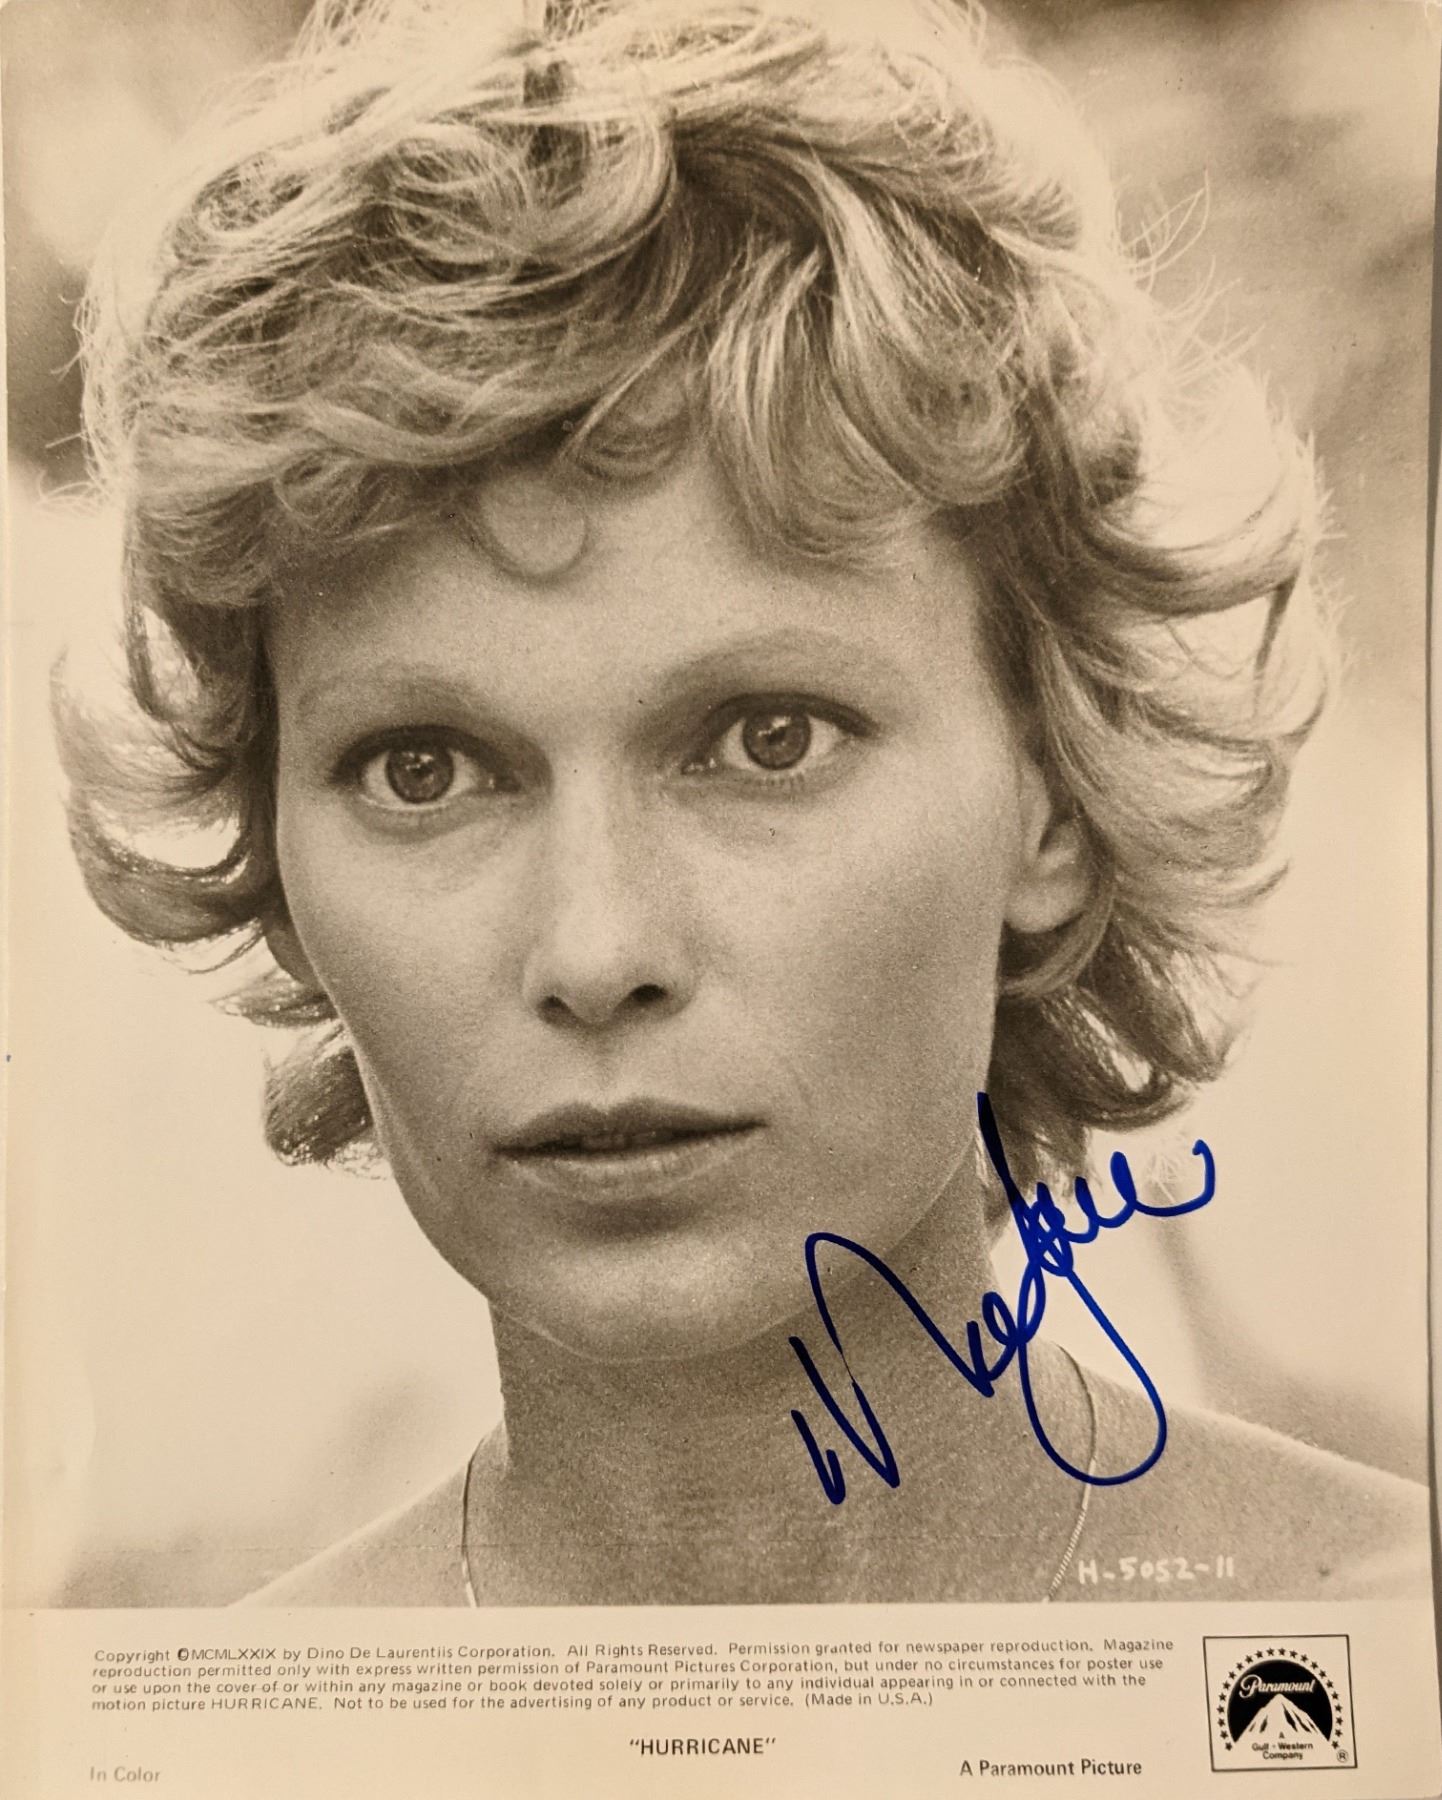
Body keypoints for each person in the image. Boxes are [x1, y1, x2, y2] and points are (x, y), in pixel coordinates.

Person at [60, 0, 1427, 1606]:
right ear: (279, 862)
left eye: (767, 739)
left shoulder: (1378, 1672)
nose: (595, 951)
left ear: (1051, 795)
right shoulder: (217, 1731)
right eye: (422, 770)